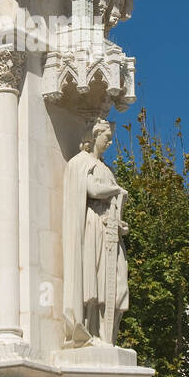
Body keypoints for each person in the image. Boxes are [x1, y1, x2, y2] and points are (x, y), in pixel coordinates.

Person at [61, 118, 129, 345]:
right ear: (93, 137)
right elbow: (90, 189)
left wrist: (119, 223)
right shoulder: (81, 163)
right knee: (94, 280)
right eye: (106, 138)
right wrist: (116, 189)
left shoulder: (105, 168)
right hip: (93, 228)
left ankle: (105, 334)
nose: (109, 142)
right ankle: (90, 329)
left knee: (116, 285)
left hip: (109, 231)